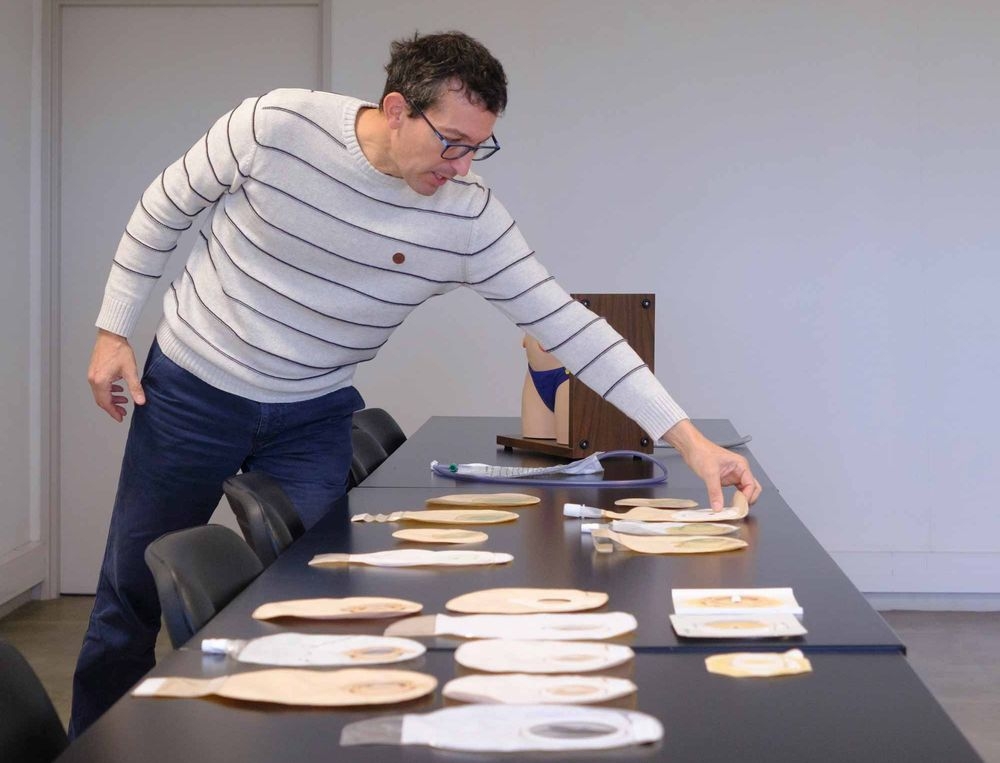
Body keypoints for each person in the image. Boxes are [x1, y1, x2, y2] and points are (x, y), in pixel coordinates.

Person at [71, 30, 762, 735]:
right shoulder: (275, 125)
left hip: (314, 409)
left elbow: (571, 327)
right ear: (397, 108)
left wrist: (692, 441)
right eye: (453, 142)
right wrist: (112, 329)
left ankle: (297, 743)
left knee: (324, 600)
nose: (462, 167)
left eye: (480, 147)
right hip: (193, 385)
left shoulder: (467, 216)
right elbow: (164, 207)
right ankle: (90, 747)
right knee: (130, 593)